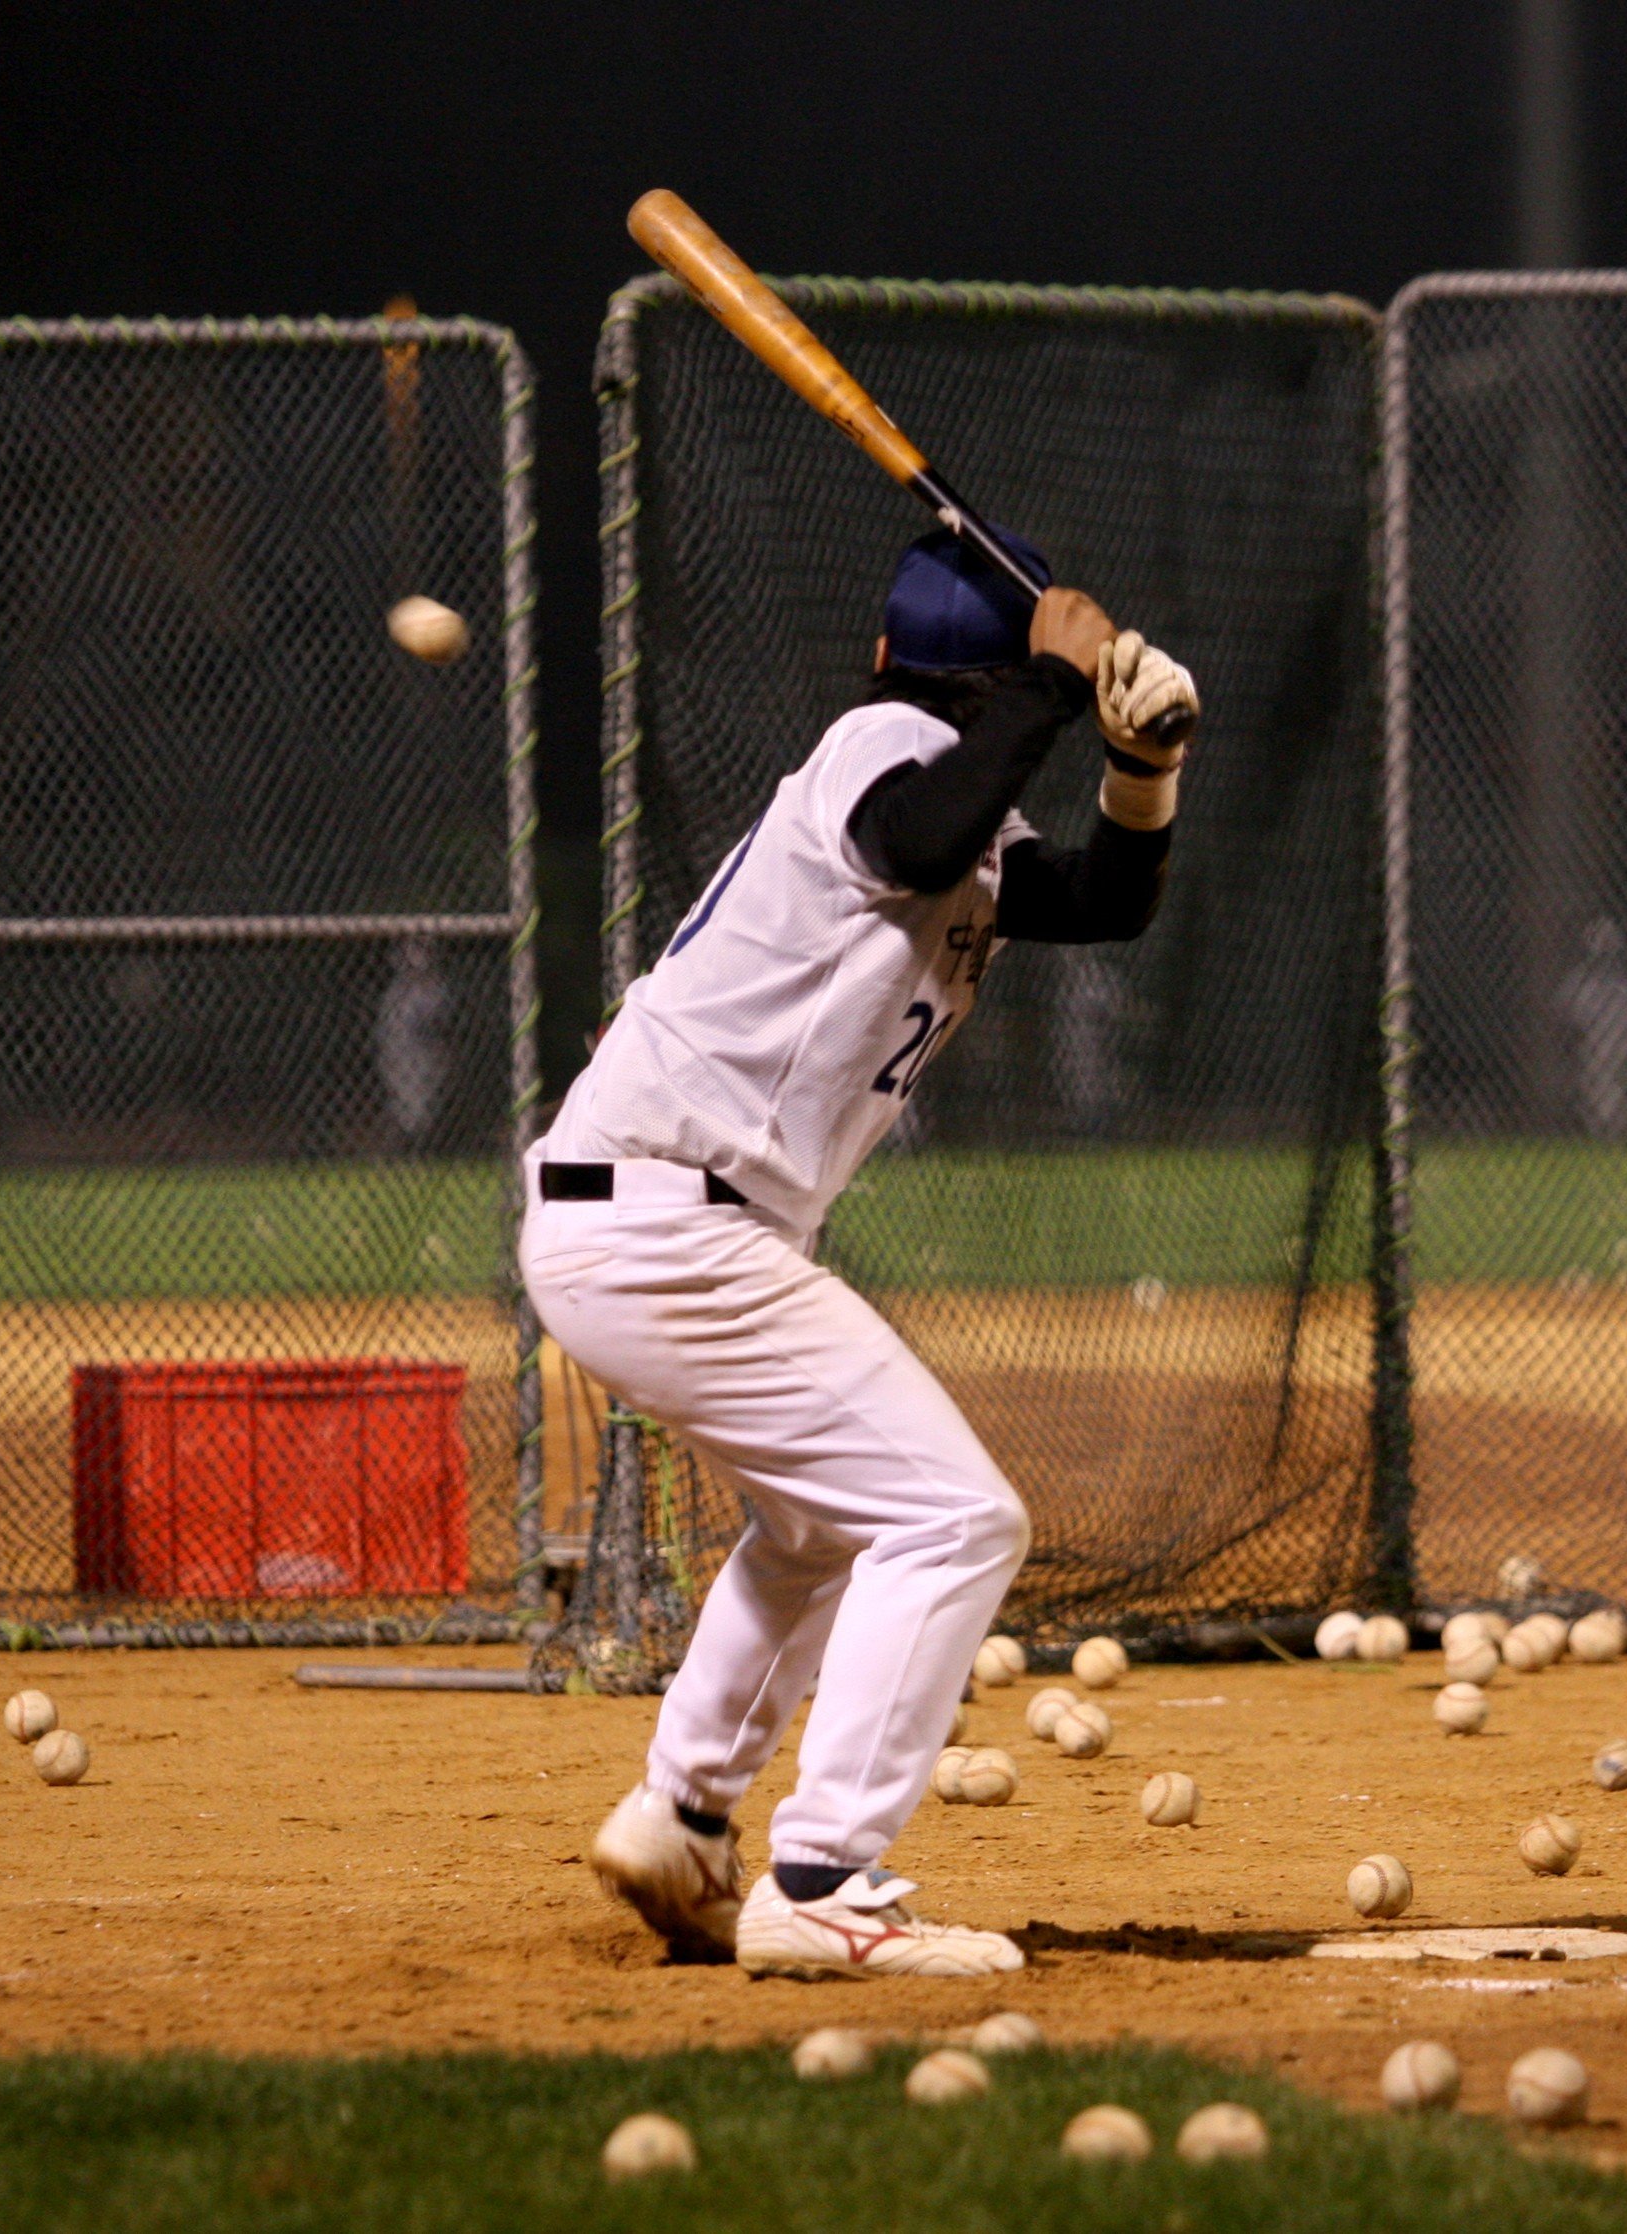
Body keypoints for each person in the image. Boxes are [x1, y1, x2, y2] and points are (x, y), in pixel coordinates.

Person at [523, 528, 1197, 1979]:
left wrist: (1139, 769)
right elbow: (915, 840)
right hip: (663, 1219)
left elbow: (1102, 899)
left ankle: (684, 1816)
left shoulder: (961, 801)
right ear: (986, 672)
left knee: (820, 1523)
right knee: (955, 1518)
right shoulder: (877, 748)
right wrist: (1052, 678)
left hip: (659, 1224)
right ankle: (823, 1878)